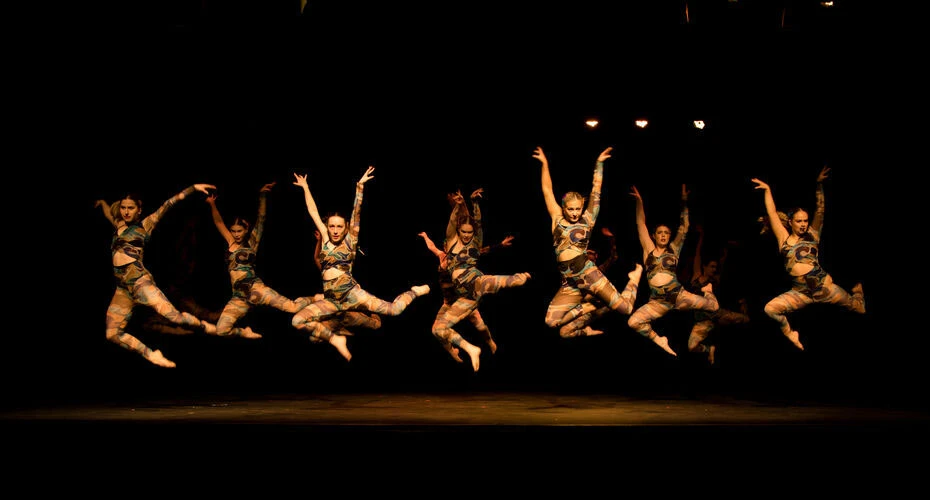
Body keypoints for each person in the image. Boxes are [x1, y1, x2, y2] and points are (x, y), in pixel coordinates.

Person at [290, 167, 431, 361]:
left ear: (345, 227)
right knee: (297, 320)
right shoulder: (324, 239)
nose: (335, 230)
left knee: (394, 310)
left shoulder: (350, 241)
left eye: (339, 226)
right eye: (331, 226)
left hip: (353, 295)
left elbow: (356, 213)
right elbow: (313, 211)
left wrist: (360, 186)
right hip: (331, 300)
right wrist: (305, 187)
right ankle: (336, 339)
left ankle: (414, 291)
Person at [95, 183, 219, 368]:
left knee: (174, 317)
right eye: (123, 207)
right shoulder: (118, 226)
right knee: (112, 334)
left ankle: (203, 326)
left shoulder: (144, 225)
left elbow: (168, 204)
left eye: (131, 208)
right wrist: (103, 202)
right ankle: (151, 354)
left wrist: (193, 188)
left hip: (141, 284)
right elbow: (109, 214)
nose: (126, 212)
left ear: (139, 209)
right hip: (123, 289)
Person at [751, 166, 865, 351]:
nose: (804, 224)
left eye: (805, 220)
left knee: (859, 309)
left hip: (825, 289)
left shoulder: (813, 234)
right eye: (799, 221)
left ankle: (858, 293)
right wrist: (768, 190)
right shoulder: (784, 239)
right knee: (770, 309)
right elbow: (772, 213)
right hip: (802, 294)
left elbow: (820, 209)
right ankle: (790, 333)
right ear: (790, 222)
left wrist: (819, 185)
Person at [535, 145, 643, 339]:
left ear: (582, 207)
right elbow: (547, 190)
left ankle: (634, 279)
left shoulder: (588, 219)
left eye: (578, 209)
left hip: (588, 273)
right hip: (569, 282)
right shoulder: (556, 218)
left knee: (626, 309)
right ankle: (587, 311)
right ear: (564, 207)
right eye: (571, 210)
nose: (575, 213)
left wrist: (599, 164)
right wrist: (545, 164)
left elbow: (596, 191)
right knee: (551, 322)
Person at [430, 188, 531, 372]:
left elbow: (478, 223)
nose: (467, 235)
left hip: (472, 284)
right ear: (458, 231)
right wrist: (458, 206)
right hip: (459, 298)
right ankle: (466, 348)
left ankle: (512, 280)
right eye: (464, 232)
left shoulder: (476, 243)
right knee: (438, 330)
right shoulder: (452, 242)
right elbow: (452, 222)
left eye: (470, 232)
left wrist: (474, 203)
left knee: (479, 281)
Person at [204, 181, 310, 339]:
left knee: (293, 307)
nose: (236, 234)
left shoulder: (251, 244)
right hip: (239, 296)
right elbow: (218, 222)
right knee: (221, 330)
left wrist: (262, 196)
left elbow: (261, 219)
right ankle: (245, 333)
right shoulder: (231, 242)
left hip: (257, 290)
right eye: (233, 231)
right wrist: (212, 204)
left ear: (246, 229)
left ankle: (314, 298)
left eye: (239, 231)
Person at [627, 184, 719, 357]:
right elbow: (640, 223)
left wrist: (684, 203)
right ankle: (660, 340)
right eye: (660, 233)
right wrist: (639, 202)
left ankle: (708, 292)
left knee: (714, 306)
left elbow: (684, 226)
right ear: (654, 236)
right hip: (658, 302)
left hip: (679, 296)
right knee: (633, 322)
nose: (663, 235)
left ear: (669, 236)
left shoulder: (674, 250)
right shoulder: (649, 250)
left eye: (666, 233)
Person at [685, 224, 750, 364]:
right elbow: (697, 254)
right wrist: (701, 237)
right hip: (703, 321)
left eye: (716, 267)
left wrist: (728, 249)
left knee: (746, 320)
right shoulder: (697, 276)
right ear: (705, 266)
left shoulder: (716, 280)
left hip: (717, 315)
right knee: (692, 347)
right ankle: (710, 350)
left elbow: (723, 261)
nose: (714, 269)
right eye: (712, 267)